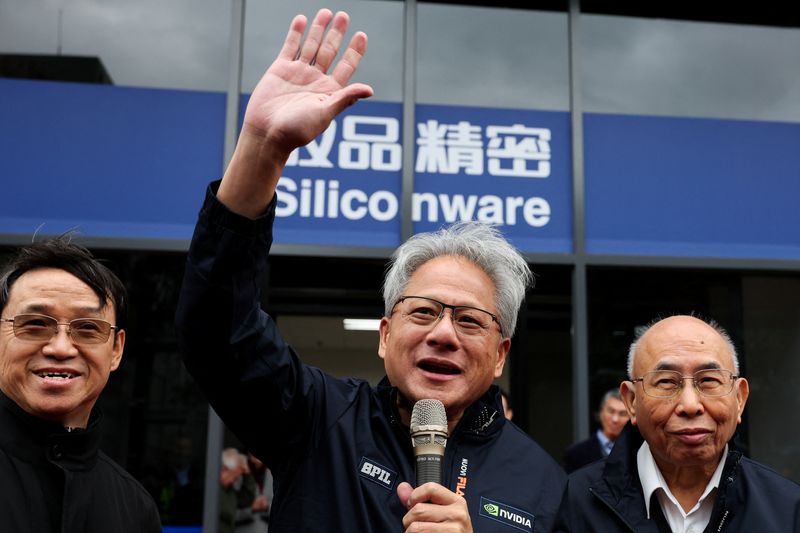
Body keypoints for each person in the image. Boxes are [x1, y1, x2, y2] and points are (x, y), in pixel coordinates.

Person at [175, 9, 566, 531]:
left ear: (500, 355)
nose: (443, 333)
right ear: (385, 335)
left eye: (470, 320)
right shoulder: (317, 418)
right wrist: (263, 149)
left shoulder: (546, 483)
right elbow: (217, 329)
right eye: (423, 311)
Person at [554, 315, 800, 531]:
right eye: (666, 382)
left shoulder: (787, 510)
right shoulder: (573, 505)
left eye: (709, 380)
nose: (691, 405)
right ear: (631, 401)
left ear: (739, 398)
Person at [0, 236, 161, 532]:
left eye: (88, 328)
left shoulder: (134, 509)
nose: (61, 348)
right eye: (35, 324)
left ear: (116, 350)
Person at [563, 389, 629, 473]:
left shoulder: (636, 451)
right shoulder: (576, 453)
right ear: (601, 413)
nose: (615, 419)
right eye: (611, 411)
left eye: (622, 414)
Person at [219, 448, 256, 533]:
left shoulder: (230, 491)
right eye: (238, 470)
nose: (237, 477)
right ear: (224, 469)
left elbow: (247, 499)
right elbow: (225, 511)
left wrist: (247, 475)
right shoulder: (211, 490)